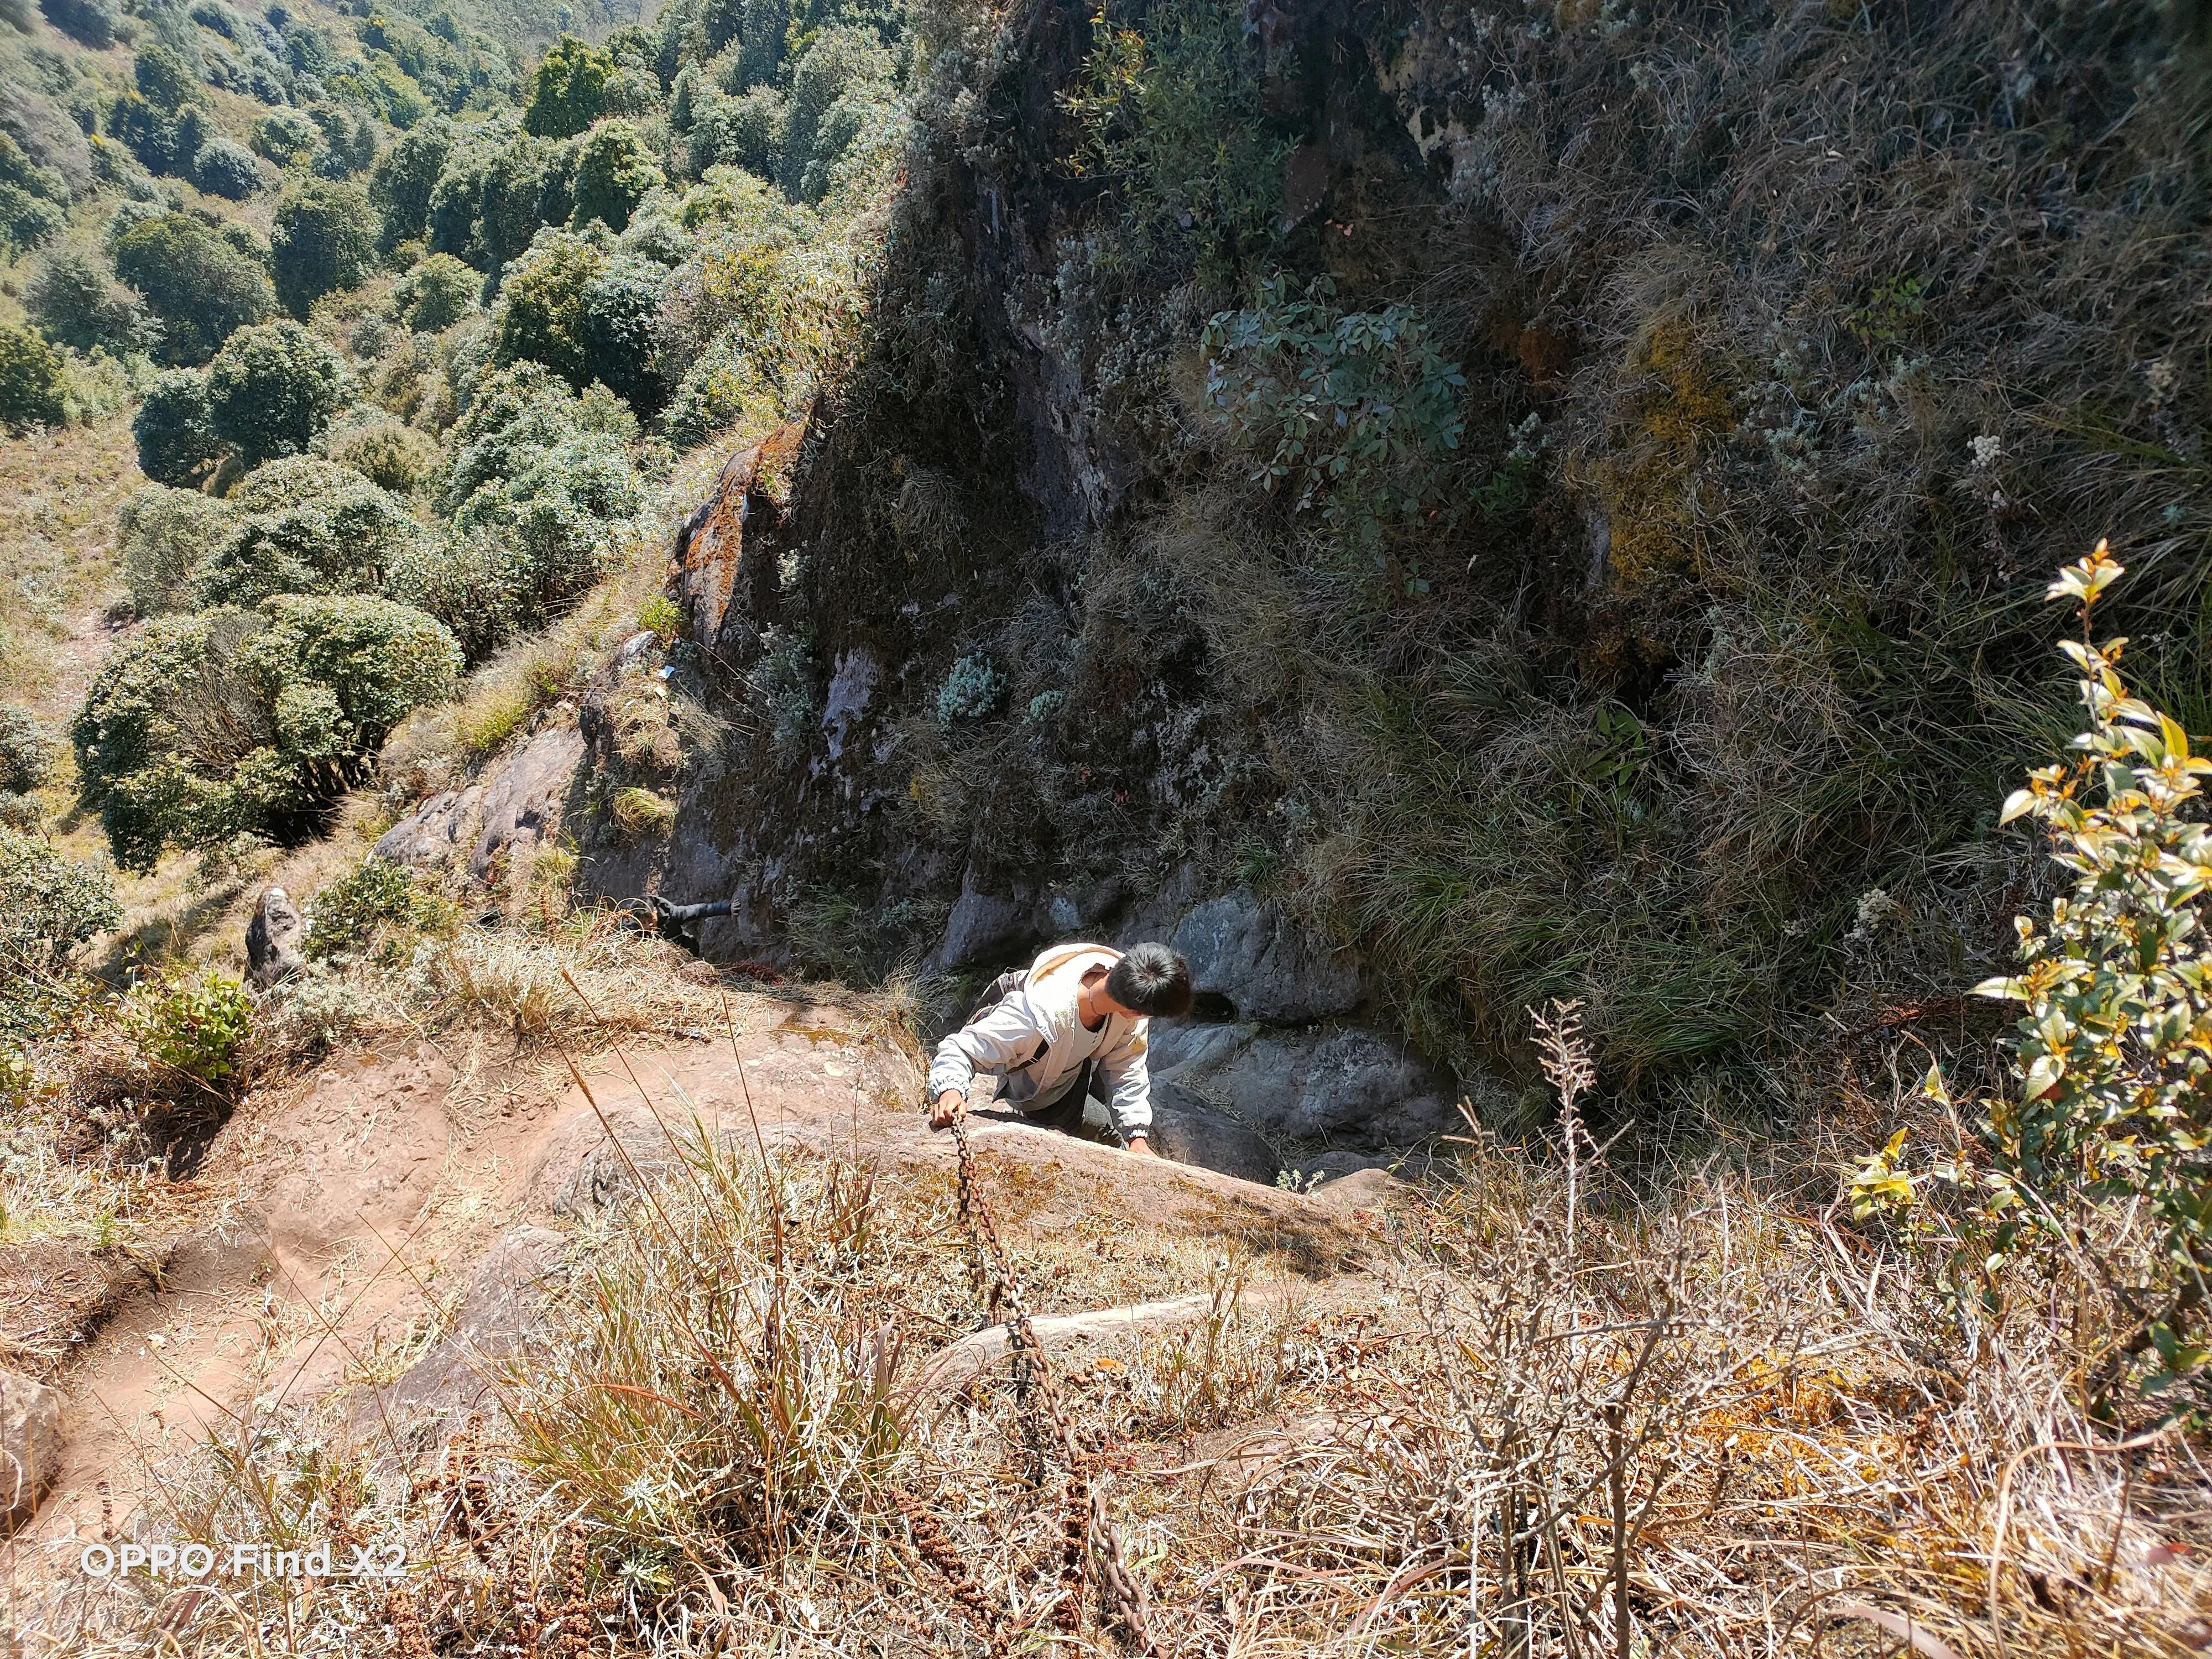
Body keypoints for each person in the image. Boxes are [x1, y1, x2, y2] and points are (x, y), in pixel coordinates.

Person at [927, 940, 1193, 1157]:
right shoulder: (1034, 1018)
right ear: (1137, 1012)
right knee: (1107, 1139)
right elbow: (961, 1048)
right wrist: (950, 1090)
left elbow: (1126, 1067)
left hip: (1080, 1064)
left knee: (1124, 1134)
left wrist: (1136, 1136)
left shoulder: (1129, 983)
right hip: (1047, 1091)